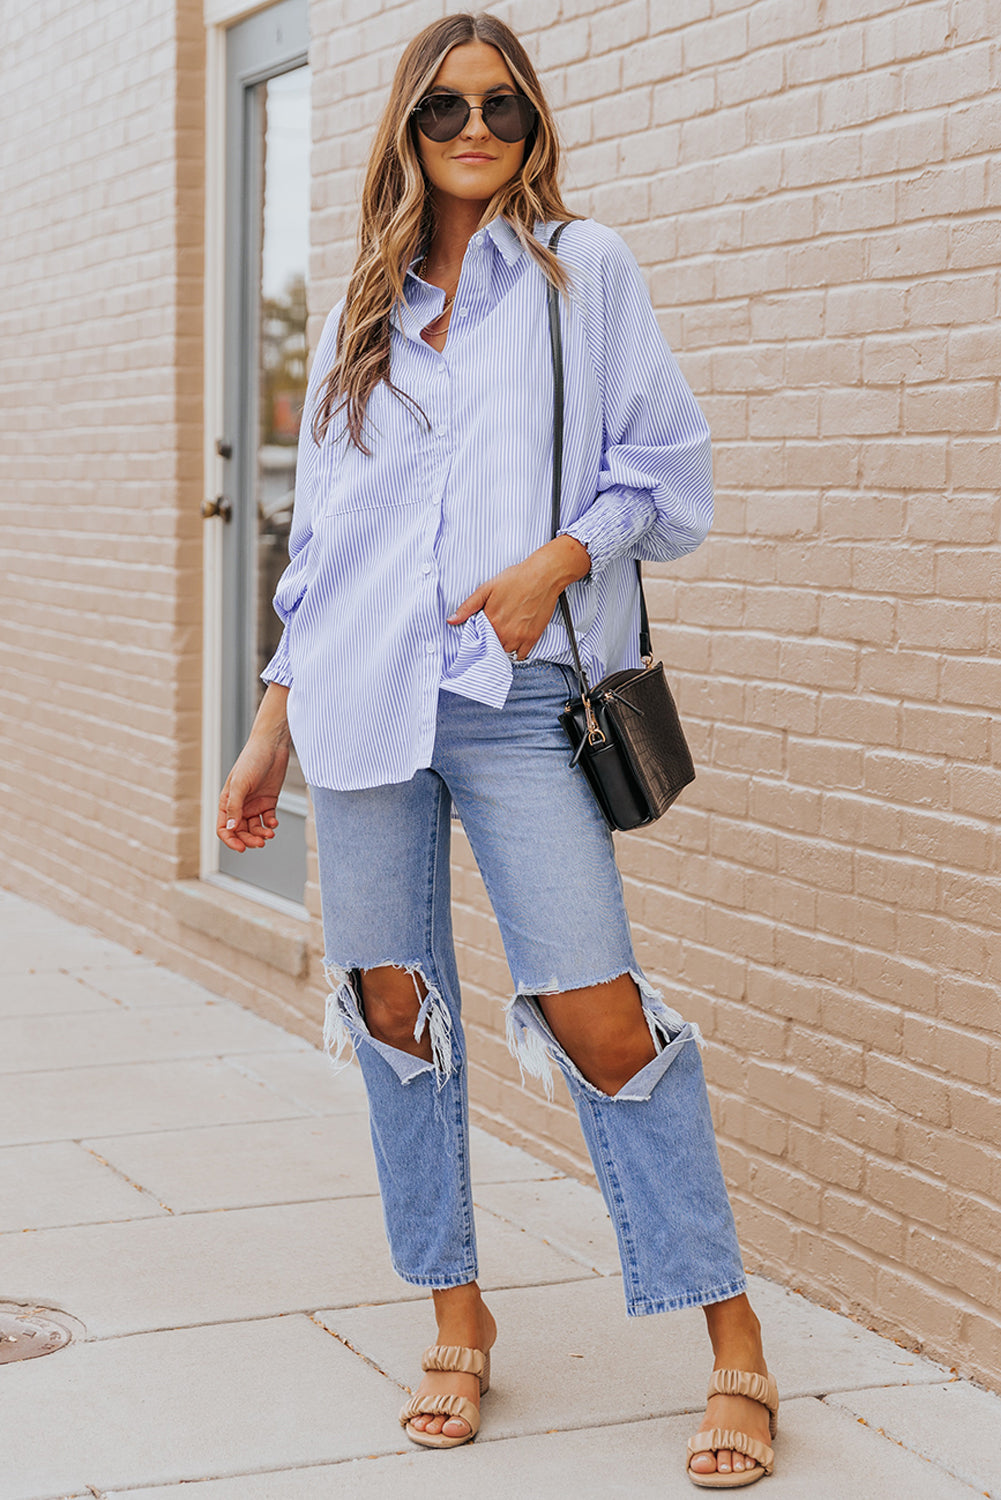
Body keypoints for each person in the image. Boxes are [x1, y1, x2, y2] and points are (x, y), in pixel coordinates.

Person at [218, 11, 779, 1488]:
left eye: (504, 110)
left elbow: (665, 471)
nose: (476, 130)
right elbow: (323, 545)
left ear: (534, 127)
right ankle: (454, 1319)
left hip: (519, 706)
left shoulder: (578, 270)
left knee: (598, 1016)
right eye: (447, 108)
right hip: (354, 706)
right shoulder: (365, 307)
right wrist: (267, 728)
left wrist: (554, 562)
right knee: (394, 1012)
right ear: (405, 127)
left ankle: (732, 1347)